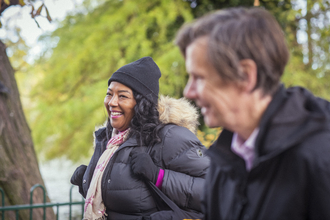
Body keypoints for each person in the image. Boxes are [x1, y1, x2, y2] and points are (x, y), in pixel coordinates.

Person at [175, 7, 330, 220]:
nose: (188, 92)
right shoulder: (224, 158)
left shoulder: (320, 157)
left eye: (199, 78)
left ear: (246, 76)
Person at [70, 56, 209, 219]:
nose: (112, 102)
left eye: (122, 96)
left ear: (142, 103)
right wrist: (88, 180)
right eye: (109, 94)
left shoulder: (169, 137)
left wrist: (159, 177)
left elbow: (214, 190)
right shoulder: (108, 140)